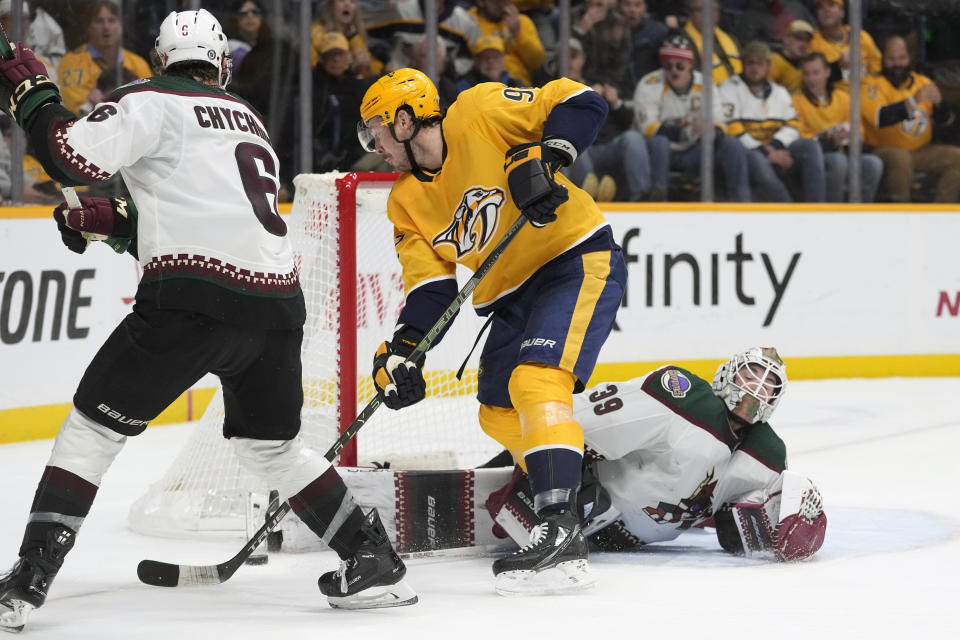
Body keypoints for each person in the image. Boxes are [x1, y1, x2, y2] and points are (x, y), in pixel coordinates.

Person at [0, 9, 417, 631]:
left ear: (162, 59)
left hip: (190, 303)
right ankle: (370, 555)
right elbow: (204, 213)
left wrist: (33, 91)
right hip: (276, 309)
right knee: (272, 446)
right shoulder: (248, 121)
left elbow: (67, 157)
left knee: (93, 430)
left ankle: (31, 577)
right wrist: (108, 222)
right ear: (221, 62)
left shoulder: (149, 97)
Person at [357, 68, 626, 594]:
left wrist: (550, 155)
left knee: (535, 382)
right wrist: (404, 351)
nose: (375, 146)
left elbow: (582, 99)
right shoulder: (405, 202)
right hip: (512, 297)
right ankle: (576, 484)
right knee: (497, 411)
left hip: (574, 259)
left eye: (377, 130)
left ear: (405, 120)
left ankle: (560, 527)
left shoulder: (478, 110)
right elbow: (430, 291)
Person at [486, 347, 827, 562]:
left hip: (628, 539)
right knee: (583, 487)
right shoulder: (684, 397)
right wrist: (554, 460)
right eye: (750, 375)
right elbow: (580, 419)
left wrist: (797, 524)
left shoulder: (767, 455)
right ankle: (533, 485)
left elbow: (742, 528)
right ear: (726, 373)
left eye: (767, 386)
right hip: (585, 498)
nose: (756, 388)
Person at [637, 32, 750, 201]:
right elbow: (649, 129)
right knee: (659, 142)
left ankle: (742, 204)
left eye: (680, 66)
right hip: (660, 153)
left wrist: (711, 132)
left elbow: (720, 121)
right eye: (668, 66)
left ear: (690, 65)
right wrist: (688, 132)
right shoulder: (649, 83)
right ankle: (658, 200)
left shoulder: (705, 83)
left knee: (731, 144)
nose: (674, 72)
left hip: (693, 151)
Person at [719, 41, 826, 202]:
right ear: (742, 64)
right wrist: (767, 152)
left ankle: (818, 212)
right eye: (750, 63)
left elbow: (793, 125)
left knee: (809, 146)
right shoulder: (728, 88)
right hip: (747, 152)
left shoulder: (780, 92)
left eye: (760, 63)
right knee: (758, 160)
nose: (755, 68)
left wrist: (775, 147)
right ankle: (787, 210)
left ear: (768, 66)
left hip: (777, 148)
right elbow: (732, 129)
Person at [862, 35, 960, 203]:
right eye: (891, 59)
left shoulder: (922, 82)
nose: (897, 64)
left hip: (920, 151)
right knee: (901, 158)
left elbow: (946, 121)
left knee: (957, 157)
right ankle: (903, 214)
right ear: (882, 60)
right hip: (884, 150)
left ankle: (940, 212)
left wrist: (939, 106)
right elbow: (879, 118)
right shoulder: (870, 84)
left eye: (902, 58)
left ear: (909, 58)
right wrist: (913, 101)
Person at [794, 52, 883, 202]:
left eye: (816, 73)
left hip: (846, 151)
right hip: (817, 157)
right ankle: (834, 213)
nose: (811, 79)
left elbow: (858, 129)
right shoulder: (796, 101)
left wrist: (849, 136)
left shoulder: (842, 97)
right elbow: (800, 135)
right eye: (807, 74)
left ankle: (861, 212)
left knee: (873, 164)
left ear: (827, 72)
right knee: (837, 162)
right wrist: (829, 140)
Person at [56, 1, 152, 116]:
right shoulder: (71, 62)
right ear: (88, 27)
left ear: (120, 26)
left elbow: (150, 103)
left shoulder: (138, 63)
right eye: (99, 21)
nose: (106, 27)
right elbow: (74, 109)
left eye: (112, 20)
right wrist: (91, 105)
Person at [467, 0, 545, 86]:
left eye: (506, 1)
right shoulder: (469, 21)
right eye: (497, 2)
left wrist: (518, 34)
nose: (503, 6)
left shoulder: (521, 21)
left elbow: (537, 62)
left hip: (518, 86)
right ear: (481, 2)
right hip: (479, 84)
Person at [810, 0, 881, 91]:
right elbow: (812, 79)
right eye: (820, 7)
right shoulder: (812, 42)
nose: (826, 10)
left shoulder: (860, 35)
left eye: (831, 5)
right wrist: (838, 64)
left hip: (868, 97)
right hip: (837, 101)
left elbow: (877, 70)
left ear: (842, 11)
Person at [311, 0, 382, 77]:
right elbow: (312, 66)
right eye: (341, 1)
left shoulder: (356, 34)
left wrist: (365, 66)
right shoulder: (317, 31)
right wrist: (347, 64)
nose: (347, 4)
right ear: (330, 6)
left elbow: (372, 73)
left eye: (352, 1)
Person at [683, 0, 741, 85]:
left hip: (738, 90)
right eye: (701, 10)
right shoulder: (683, 41)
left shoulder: (731, 38)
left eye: (712, 10)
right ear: (690, 14)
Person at [455, 34, 521, 94]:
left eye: (495, 56)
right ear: (476, 61)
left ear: (503, 59)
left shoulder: (515, 85)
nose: (491, 61)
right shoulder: (465, 86)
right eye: (485, 57)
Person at [769, 19, 814, 94]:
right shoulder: (773, 61)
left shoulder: (809, 62)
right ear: (786, 39)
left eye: (807, 40)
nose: (803, 45)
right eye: (799, 39)